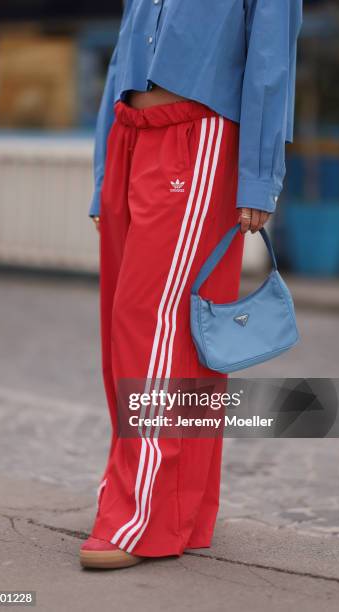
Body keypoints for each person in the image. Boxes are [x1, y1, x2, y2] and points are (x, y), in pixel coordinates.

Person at [80, 0, 303, 569]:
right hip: (130, 136)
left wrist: (258, 176)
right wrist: (106, 169)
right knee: (139, 330)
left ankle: (142, 516)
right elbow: (122, 53)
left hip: (197, 138)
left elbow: (272, 56)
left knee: (151, 329)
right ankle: (181, 512)